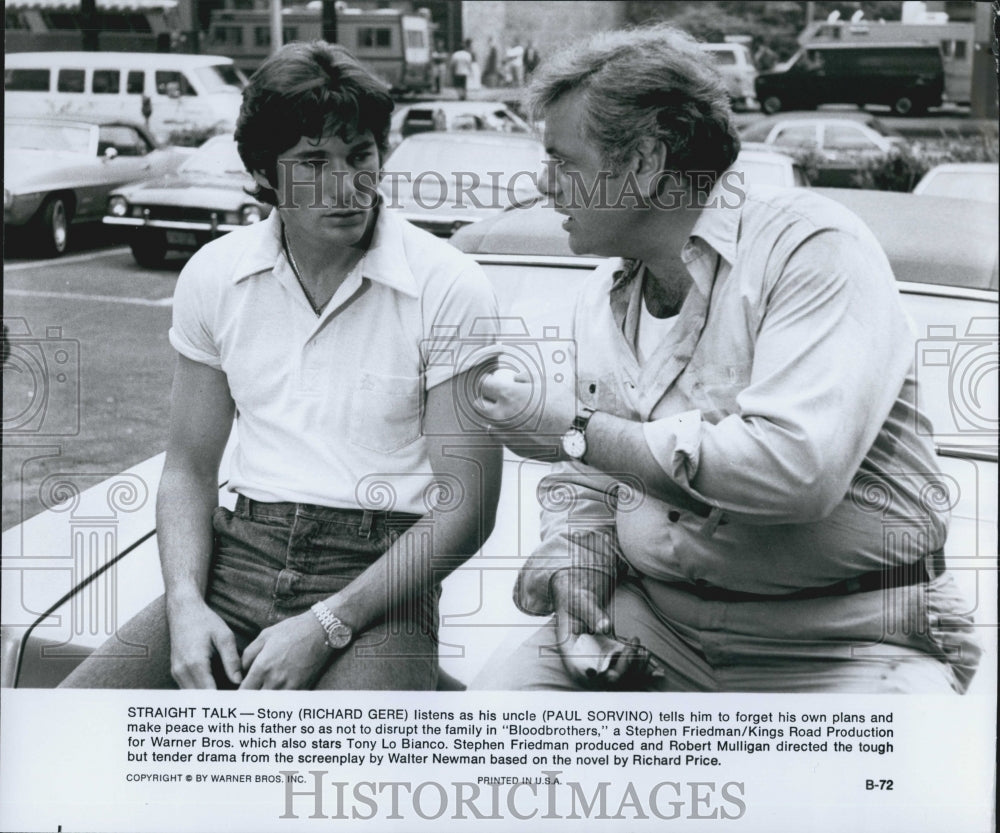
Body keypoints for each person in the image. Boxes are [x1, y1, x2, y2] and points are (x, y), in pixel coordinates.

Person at [471, 24, 980, 693]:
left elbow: (793, 470)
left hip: (850, 639)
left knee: (869, 796)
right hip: (653, 622)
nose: (546, 185)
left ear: (647, 161)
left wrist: (573, 430)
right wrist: (579, 568)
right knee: (481, 750)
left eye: (565, 161)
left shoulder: (813, 248)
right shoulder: (601, 297)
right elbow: (590, 485)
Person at [61, 41, 502, 690]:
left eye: (361, 155)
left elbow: (467, 506)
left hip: (380, 581)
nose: (347, 185)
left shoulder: (450, 284)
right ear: (264, 172)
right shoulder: (216, 273)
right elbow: (188, 467)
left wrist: (327, 622)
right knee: (71, 730)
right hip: (236, 555)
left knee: (347, 776)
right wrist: (184, 603)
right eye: (312, 162)